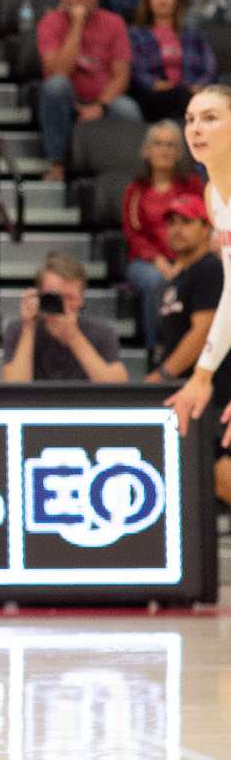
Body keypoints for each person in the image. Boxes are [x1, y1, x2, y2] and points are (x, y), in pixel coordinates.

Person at [167, 86, 231, 512]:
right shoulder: (212, 195)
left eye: (210, 118)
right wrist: (203, 375)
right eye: (190, 119)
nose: (195, 129)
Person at [35, 0, 141, 177]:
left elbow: (121, 76)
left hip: (103, 101)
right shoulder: (50, 23)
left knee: (127, 108)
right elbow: (59, 71)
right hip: (68, 102)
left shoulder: (114, 23)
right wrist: (77, 25)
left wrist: (100, 106)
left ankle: (133, 176)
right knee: (55, 86)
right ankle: (57, 163)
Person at [122, 121, 204, 350]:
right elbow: (133, 235)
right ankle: (158, 348)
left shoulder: (192, 184)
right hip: (146, 262)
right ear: (147, 150)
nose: (164, 150)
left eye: (171, 145)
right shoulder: (135, 189)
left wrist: (183, 261)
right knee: (155, 280)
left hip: (189, 256)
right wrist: (157, 259)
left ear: (179, 153)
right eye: (158, 144)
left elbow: (202, 225)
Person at [0, 256, 126, 383]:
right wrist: (28, 328)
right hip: (36, 397)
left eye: (70, 297)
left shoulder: (102, 332)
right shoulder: (18, 329)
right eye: (55, 297)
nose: (62, 305)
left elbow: (117, 387)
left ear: (81, 299)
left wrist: (73, 336)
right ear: (40, 296)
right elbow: (13, 387)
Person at [145, 199, 225, 399]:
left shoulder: (211, 269)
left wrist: (163, 374)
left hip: (210, 394)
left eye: (186, 221)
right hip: (181, 390)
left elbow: (204, 331)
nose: (177, 229)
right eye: (172, 222)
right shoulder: (178, 279)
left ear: (207, 227)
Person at [128, 0, 217, 123]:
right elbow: (135, 71)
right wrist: (154, 84)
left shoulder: (193, 34)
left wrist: (199, 86)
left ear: (176, 0)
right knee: (183, 98)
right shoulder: (136, 34)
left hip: (191, 93)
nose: (162, 0)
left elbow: (209, 68)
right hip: (154, 96)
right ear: (148, 1)